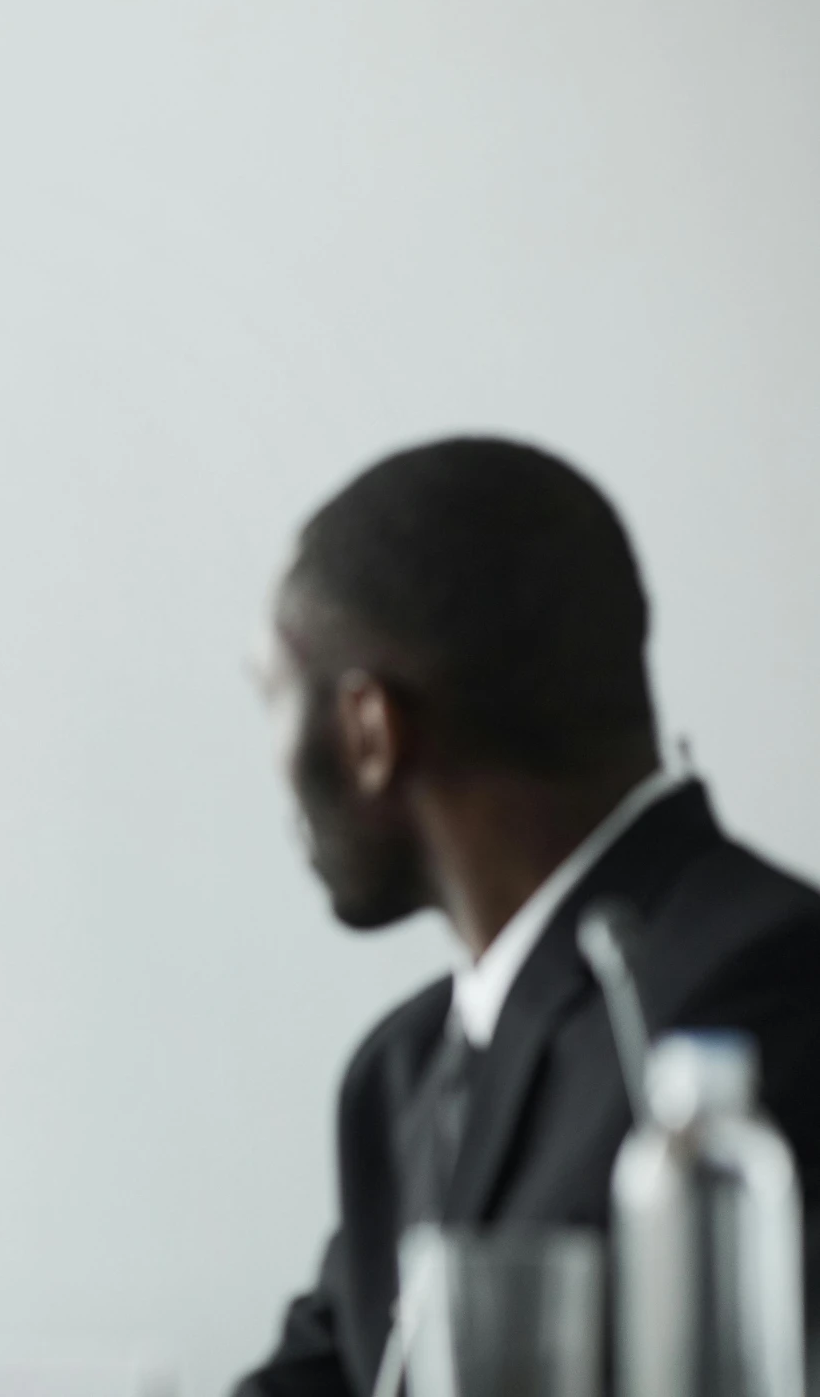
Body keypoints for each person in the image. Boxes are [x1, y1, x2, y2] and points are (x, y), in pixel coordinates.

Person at [239, 437, 820, 1397]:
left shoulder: (772, 986)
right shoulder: (401, 1072)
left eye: (272, 698)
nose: (270, 757)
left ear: (370, 730)